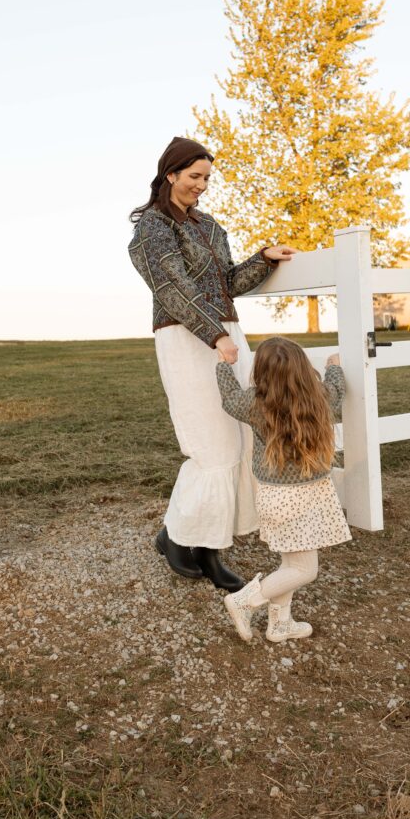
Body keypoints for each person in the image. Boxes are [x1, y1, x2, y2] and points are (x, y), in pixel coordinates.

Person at [128, 136, 295, 592]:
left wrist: (263, 260)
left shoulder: (210, 226)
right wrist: (214, 333)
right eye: (195, 177)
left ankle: (192, 540)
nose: (202, 185)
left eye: (207, 178)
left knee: (237, 434)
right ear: (171, 175)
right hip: (186, 337)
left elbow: (227, 282)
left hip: (225, 334)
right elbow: (171, 288)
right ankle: (190, 543)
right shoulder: (152, 228)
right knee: (210, 443)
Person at [215, 337, 351, 642]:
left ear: (261, 371)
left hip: (273, 495)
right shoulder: (319, 397)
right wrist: (334, 367)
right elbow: (338, 391)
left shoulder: (254, 403)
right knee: (305, 570)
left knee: (291, 563)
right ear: (302, 368)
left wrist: (223, 366)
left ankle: (280, 625)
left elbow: (228, 398)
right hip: (307, 495)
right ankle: (243, 601)